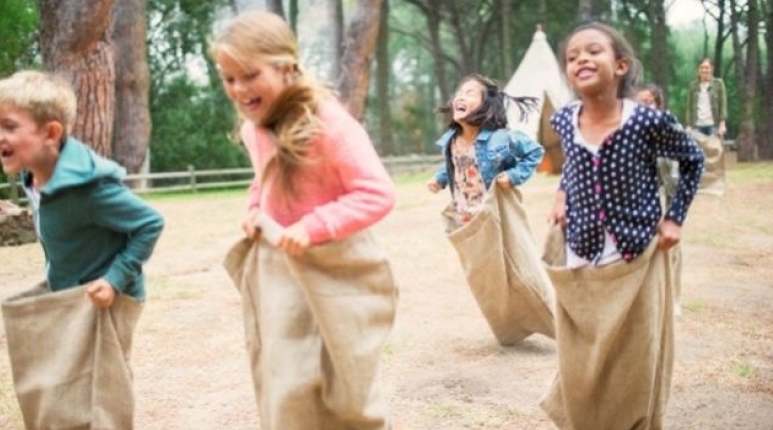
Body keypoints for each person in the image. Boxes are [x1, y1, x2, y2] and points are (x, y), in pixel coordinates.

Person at [211, 11, 398, 430]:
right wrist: (254, 209)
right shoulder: (254, 128)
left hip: (337, 271)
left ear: (285, 66)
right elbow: (263, 179)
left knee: (345, 388)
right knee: (289, 381)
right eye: (228, 78)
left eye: (249, 75)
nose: (238, 89)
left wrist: (313, 226)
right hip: (284, 273)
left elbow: (378, 193)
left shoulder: (327, 123)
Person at [542, 22, 704, 430]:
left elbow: (693, 160)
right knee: (587, 345)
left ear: (620, 65)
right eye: (572, 56)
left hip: (633, 252)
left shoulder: (645, 122)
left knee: (632, 350)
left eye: (593, 51)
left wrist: (675, 217)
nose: (581, 59)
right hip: (582, 248)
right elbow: (574, 168)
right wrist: (562, 195)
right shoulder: (563, 121)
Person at [0, 70, 164, 428]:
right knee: (70, 383)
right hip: (72, 292)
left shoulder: (90, 190)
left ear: (51, 133)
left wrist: (114, 279)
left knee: (104, 382)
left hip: (109, 299)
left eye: (9, 126)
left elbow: (149, 223)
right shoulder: (34, 176)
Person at [425, 74, 555, 346]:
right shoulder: (450, 140)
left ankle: (557, 323)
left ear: (487, 105)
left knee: (521, 268)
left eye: (471, 92)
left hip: (496, 213)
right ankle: (509, 328)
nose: (461, 96)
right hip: (468, 220)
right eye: (460, 91)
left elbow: (535, 151)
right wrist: (440, 179)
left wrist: (514, 175)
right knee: (487, 280)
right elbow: (457, 165)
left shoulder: (501, 138)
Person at [636, 83, 684, 316]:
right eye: (640, 104)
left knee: (672, 244)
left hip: (673, 188)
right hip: (648, 191)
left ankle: (674, 298)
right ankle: (651, 296)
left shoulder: (671, 126)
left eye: (648, 103)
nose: (644, 108)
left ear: (658, 104)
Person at [685, 57, 727, 137]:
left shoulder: (719, 84)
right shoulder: (692, 86)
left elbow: (723, 105)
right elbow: (689, 107)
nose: (704, 70)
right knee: (697, 149)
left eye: (707, 68)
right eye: (702, 68)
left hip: (713, 125)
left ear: (711, 69)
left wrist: (722, 124)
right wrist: (688, 125)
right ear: (698, 69)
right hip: (697, 125)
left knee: (714, 148)